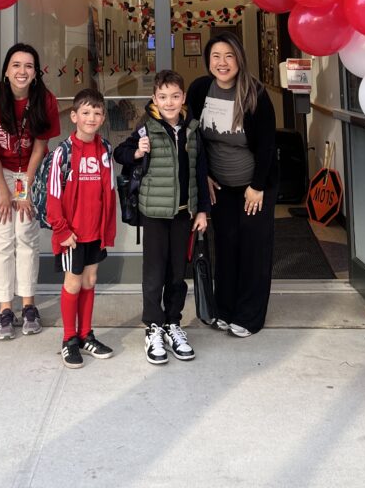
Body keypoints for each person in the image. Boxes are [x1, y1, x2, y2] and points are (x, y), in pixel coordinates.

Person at [114, 70, 210, 366]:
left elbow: (200, 172)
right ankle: (153, 327)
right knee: (154, 273)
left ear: (183, 99)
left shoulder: (193, 129)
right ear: (154, 98)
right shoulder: (146, 128)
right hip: (154, 214)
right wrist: (137, 153)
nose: (169, 102)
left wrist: (203, 210)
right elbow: (120, 153)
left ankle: (172, 323)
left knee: (177, 273)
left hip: (184, 214)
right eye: (163, 97)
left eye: (175, 96)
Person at [186, 34, 278, 336]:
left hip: (255, 186)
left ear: (239, 59)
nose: (222, 63)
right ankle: (224, 309)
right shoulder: (200, 90)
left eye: (228, 56)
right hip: (220, 186)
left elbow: (266, 144)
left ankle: (249, 317)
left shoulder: (255, 94)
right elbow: (194, 137)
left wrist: (257, 185)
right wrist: (205, 175)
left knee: (254, 248)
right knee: (225, 246)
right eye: (215, 56)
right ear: (208, 61)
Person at [0, 43, 60, 341]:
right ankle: (4, 308)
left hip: (27, 172)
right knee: (2, 236)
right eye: (16, 65)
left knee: (26, 234)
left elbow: (39, 148)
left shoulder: (44, 100)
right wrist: (3, 192)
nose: (22, 71)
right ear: (7, 71)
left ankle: (29, 304)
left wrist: (23, 191)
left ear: (35, 73)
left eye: (28, 66)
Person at [47, 87, 116, 370]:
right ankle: (69, 339)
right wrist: (62, 230)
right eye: (85, 112)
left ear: (102, 118)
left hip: (95, 233)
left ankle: (86, 334)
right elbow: (53, 196)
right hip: (72, 236)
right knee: (73, 283)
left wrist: (106, 231)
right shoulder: (62, 152)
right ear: (74, 116)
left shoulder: (105, 149)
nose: (91, 118)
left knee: (89, 282)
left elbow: (109, 192)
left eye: (97, 113)